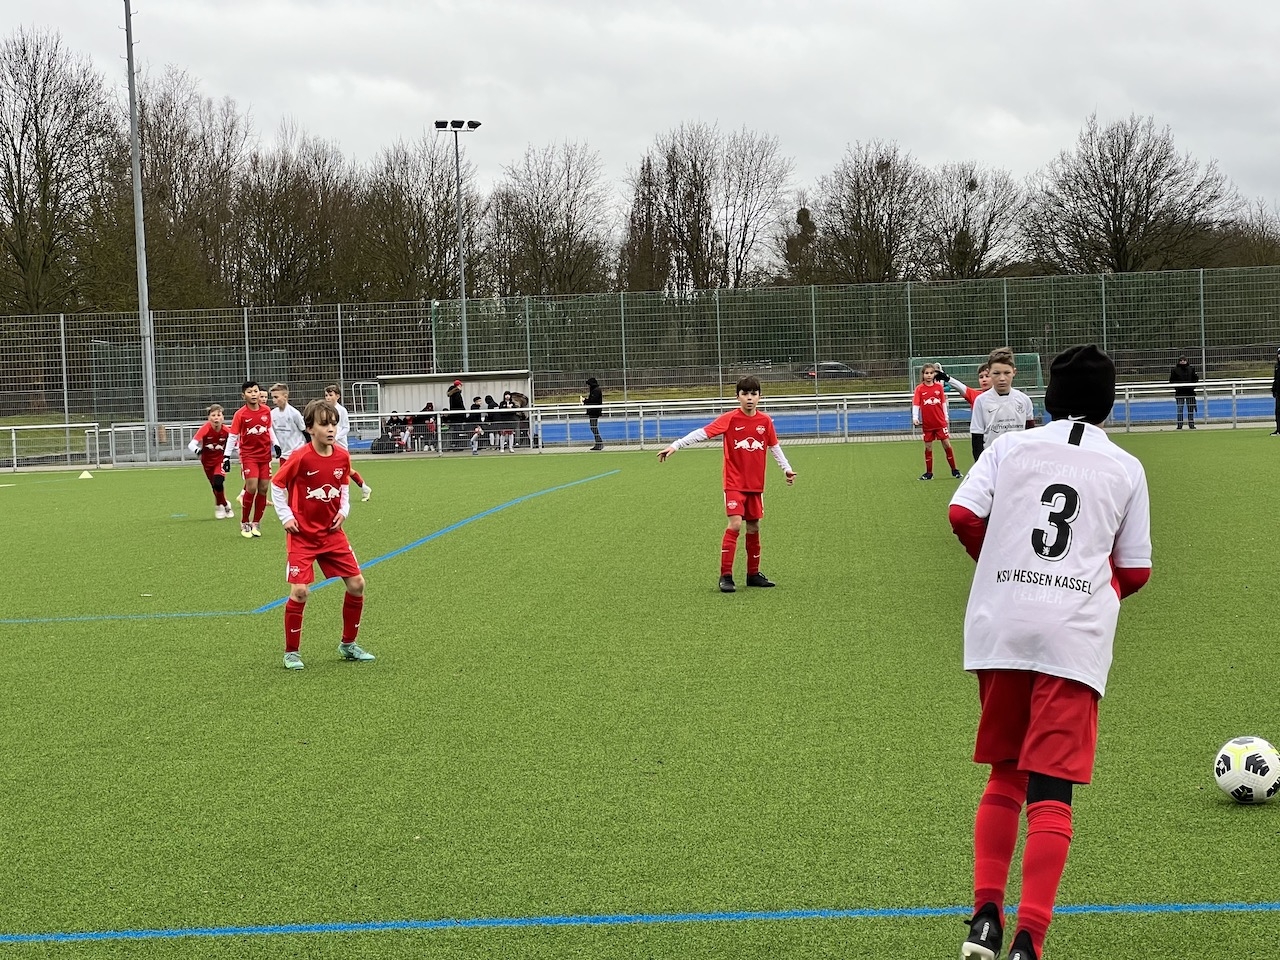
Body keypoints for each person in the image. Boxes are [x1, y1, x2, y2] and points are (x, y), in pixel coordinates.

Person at [949, 344, 1152, 960]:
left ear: (1049, 398)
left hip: (1001, 628)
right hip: (1072, 637)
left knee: (1005, 772)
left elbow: (962, 514)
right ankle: (1029, 940)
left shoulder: (1010, 447)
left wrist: (998, 565)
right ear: (1109, 405)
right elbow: (1135, 571)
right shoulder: (1126, 467)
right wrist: (1086, 594)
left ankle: (985, 916)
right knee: (1052, 789)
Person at [656, 376, 796, 593]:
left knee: (754, 526)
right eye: (745, 394)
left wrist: (786, 468)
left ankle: (753, 574)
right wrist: (676, 445)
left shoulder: (765, 421)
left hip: (755, 485)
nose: (749, 398)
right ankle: (726, 576)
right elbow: (702, 433)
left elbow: (774, 447)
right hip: (734, 483)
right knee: (736, 524)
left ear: (760, 397)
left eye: (753, 394)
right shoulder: (730, 419)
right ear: (737, 396)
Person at [270, 398, 376, 671]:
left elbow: (343, 487)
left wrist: (344, 511)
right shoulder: (300, 457)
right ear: (310, 428)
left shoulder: (342, 456)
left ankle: (348, 644)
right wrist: (286, 516)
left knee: (357, 584)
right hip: (302, 536)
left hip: (332, 534)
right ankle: (291, 653)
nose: (330, 429)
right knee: (300, 591)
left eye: (334, 424)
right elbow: (277, 484)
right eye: (324, 424)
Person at [226, 380, 277, 539]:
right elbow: (233, 436)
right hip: (248, 456)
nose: (254, 394)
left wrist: (276, 444)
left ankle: (256, 523)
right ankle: (244, 522)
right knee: (252, 487)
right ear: (244, 396)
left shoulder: (266, 410)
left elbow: (269, 429)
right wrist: (226, 456)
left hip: (265, 455)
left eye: (255, 391)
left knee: (263, 488)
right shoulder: (240, 414)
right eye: (250, 392)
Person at [968, 347, 1037, 459]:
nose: (1002, 378)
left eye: (1007, 373)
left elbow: (1030, 434)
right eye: (996, 373)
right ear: (989, 373)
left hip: (1019, 460)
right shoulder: (981, 401)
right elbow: (977, 438)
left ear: (1014, 372)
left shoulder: (1024, 400)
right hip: (992, 461)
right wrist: (981, 465)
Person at [911, 362, 962, 480]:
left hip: (940, 423)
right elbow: (916, 403)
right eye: (926, 373)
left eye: (931, 373)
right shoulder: (919, 389)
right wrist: (915, 417)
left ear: (934, 374)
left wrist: (946, 417)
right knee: (928, 447)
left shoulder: (939, 387)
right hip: (928, 424)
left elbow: (943, 403)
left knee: (947, 445)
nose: (929, 375)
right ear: (923, 375)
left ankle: (954, 470)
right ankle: (929, 473)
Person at [323, 385, 372, 500]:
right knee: (330, 469)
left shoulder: (342, 410)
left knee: (345, 470)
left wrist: (336, 437)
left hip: (340, 445)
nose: (328, 397)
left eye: (330, 395)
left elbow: (346, 428)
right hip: (329, 445)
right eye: (326, 395)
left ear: (337, 396)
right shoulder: (324, 410)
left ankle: (362, 488)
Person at [936, 362, 992, 463]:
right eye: (981, 377)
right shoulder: (976, 396)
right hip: (980, 440)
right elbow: (962, 388)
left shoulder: (1004, 397)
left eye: (987, 376)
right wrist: (948, 378)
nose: (984, 379)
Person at [187, 403, 234, 518]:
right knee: (214, 486)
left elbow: (236, 443)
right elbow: (191, 444)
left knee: (218, 482)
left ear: (222, 417)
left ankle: (218, 506)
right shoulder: (205, 429)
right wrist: (198, 451)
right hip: (207, 462)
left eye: (219, 415)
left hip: (220, 460)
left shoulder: (226, 430)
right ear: (209, 418)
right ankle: (225, 504)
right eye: (213, 415)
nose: (216, 418)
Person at [269, 383, 308, 462]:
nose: (273, 400)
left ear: (285, 397)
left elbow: (304, 431)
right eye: (272, 397)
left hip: (297, 452)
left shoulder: (294, 413)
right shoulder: (272, 414)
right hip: (283, 454)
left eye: (276, 397)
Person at [1168, 355, 1199, 430]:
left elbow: (1195, 379)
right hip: (1180, 393)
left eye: (1184, 360)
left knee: (1190, 409)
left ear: (1186, 361)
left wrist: (1192, 387)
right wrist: (1177, 387)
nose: (1182, 362)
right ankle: (1179, 425)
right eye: (1181, 360)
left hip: (1190, 392)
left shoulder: (1191, 369)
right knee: (1180, 409)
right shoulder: (1175, 370)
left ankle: (1191, 424)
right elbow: (1171, 380)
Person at [583, 376, 604, 450]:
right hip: (593, 411)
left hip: (594, 411)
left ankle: (599, 443)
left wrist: (585, 401)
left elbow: (593, 401)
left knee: (594, 427)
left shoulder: (596, 390)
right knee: (593, 427)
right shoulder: (595, 390)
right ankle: (598, 443)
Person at [1269, 347, 1279, 436]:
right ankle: (1279, 429)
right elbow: (1276, 379)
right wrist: (1274, 389)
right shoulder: (1277, 366)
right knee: (1278, 411)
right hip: (1279, 392)